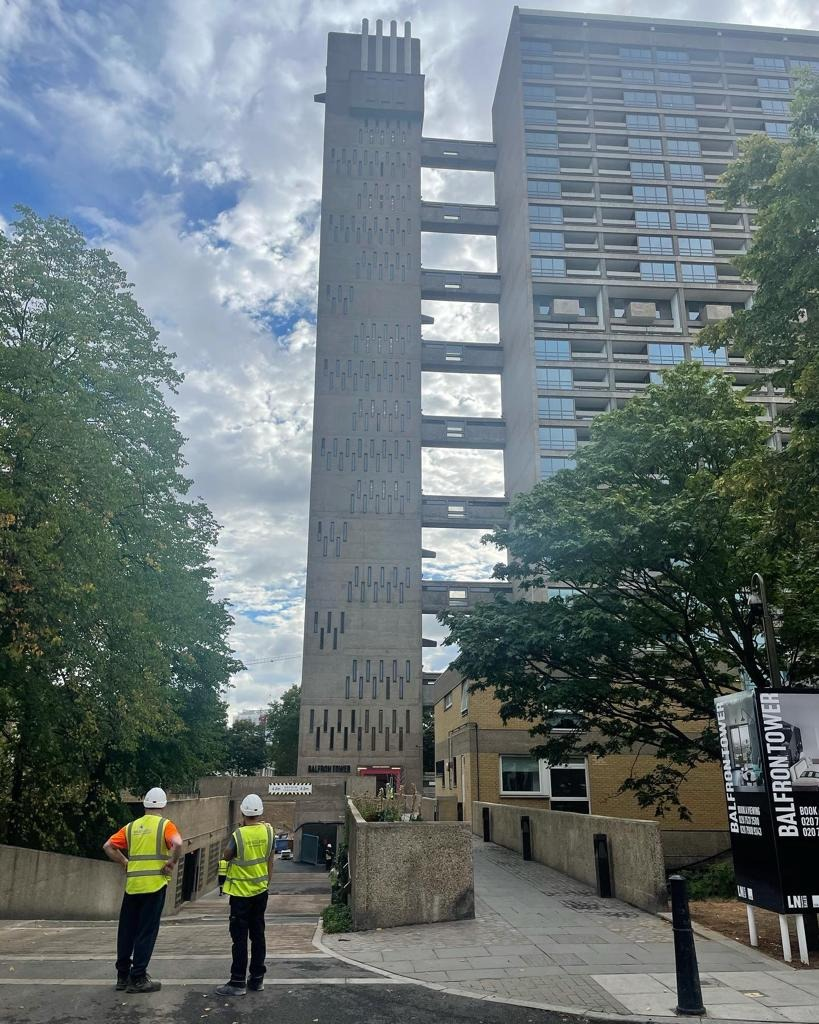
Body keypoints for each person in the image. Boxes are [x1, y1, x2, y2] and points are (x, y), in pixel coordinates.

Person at [102, 787, 182, 993]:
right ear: (164, 805)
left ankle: (122, 976)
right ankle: (138, 977)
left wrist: (125, 862)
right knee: (146, 931)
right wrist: (171, 862)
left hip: (133, 886)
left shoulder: (131, 827)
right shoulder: (165, 825)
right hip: (154, 885)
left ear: (144, 804)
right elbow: (177, 843)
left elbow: (108, 846)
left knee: (126, 931)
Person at [215, 794, 274, 997]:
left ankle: (238, 981)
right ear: (260, 812)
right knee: (258, 935)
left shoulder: (239, 835)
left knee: (239, 938)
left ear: (242, 812)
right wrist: (266, 883)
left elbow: (226, 855)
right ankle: (257, 979)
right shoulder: (269, 831)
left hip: (241, 895)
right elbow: (270, 860)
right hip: (261, 891)